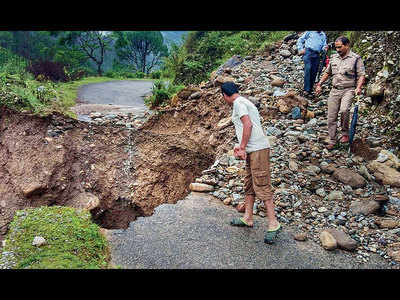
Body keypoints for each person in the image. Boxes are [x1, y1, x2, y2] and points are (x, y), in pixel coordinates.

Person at [220, 81, 281, 244]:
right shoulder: (244, 101)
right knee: (249, 183)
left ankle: (273, 223)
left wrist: (242, 147)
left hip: (257, 149)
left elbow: (248, 124)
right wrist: (242, 147)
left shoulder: (238, 103)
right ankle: (248, 217)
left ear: (225, 95)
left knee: (262, 184)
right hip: (252, 150)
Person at [315, 36, 365, 150]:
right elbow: (327, 72)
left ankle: (345, 133)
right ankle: (332, 140)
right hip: (334, 90)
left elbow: (362, 74)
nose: (337, 49)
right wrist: (319, 84)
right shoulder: (334, 58)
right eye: (336, 47)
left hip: (349, 89)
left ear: (347, 45)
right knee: (331, 116)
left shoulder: (356, 58)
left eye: (340, 47)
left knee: (344, 110)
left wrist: (358, 87)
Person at [297, 31, 328, 98]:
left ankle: (310, 90)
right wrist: (300, 49)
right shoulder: (309, 32)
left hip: (317, 54)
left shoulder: (323, 35)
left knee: (314, 71)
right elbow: (300, 39)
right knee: (308, 68)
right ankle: (306, 90)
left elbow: (324, 45)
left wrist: (324, 48)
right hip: (308, 52)